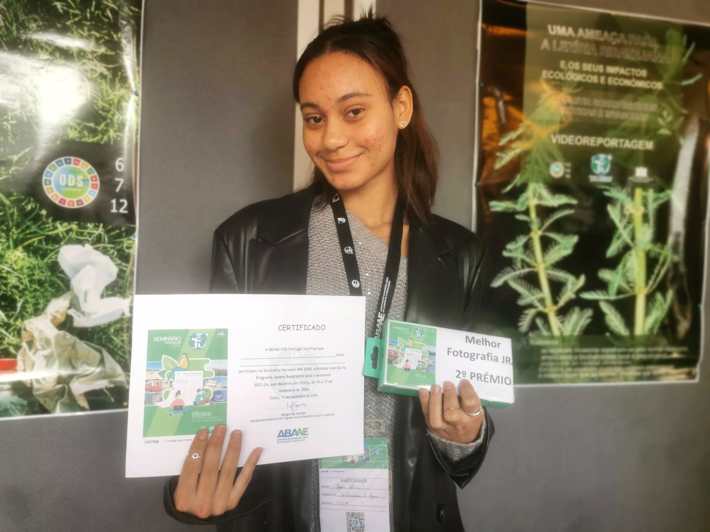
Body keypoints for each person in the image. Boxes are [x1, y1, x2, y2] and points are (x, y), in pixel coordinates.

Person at [164, 13, 493, 532]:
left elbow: (467, 431)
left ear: (401, 107)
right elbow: (210, 400)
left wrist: (465, 434)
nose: (331, 138)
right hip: (286, 518)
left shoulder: (460, 255)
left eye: (354, 111)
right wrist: (193, 487)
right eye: (314, 118)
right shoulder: (250, 239)